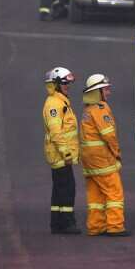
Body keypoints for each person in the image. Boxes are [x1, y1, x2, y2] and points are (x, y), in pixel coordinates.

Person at [80, 74, 128, 236]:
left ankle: (96, 226)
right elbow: (109, 135)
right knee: (114, 191)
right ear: (98, 91)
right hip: (102, 159)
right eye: (106, 89)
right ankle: (115, 227)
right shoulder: (100, 109)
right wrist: (117, 152)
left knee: (96, 194)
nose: (109, 92)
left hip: (89, 159)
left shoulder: (88, 110)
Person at [43, 66, 81, 234]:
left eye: (68, 84)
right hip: (60, 155)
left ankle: (56, 223)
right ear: (57, 85)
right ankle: (66, 223)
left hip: (60, 154)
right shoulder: (54, 104)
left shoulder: (60, 102)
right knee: (67, 188)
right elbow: (56, 132)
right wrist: (66, 152)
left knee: (59, 188)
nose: (68, 87)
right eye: (65, 84)